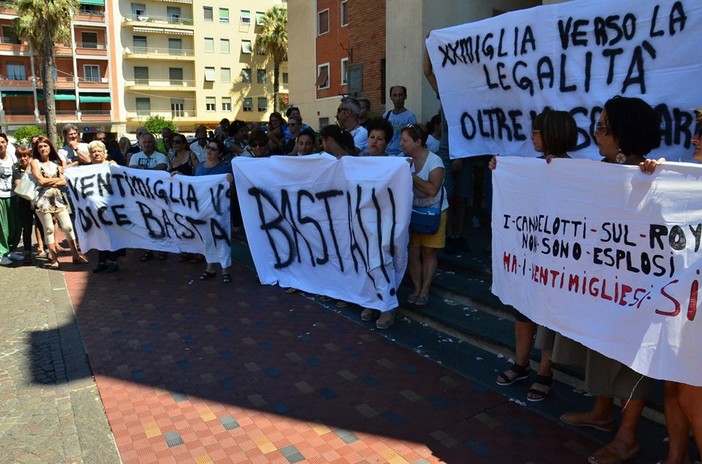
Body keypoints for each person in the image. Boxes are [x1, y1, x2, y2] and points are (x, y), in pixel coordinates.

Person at [553, 96, 661, 464]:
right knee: (601, 347)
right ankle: (602, 413)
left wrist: (653, 179)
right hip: (604, 286)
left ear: (623, 134)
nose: (596, 134)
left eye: (603, 127)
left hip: (638, 294)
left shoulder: (652, 175)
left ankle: (627, 437)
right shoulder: (599, 170)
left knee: (632, 359)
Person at [491, 109, 578, 402]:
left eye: (537, 131)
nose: (532, 137)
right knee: (523, 307)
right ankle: (521, 362)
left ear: (552, 133)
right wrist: (500, 170)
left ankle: (545, 371)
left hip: (556, 260)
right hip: (529, 255)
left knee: (548, 316)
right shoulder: (531, 167)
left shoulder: (579, 173)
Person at [638, 108, 702, 464]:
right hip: (681, 306)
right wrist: (657, 179)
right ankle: (676, 458)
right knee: (673, 387)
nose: (694, 138)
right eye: (695, 131)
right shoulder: (686, 179)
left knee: (693, 399)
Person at [402, 123, 448, 310]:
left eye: (405, 140)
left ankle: (425, 291)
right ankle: (416, 288)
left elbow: (431, 189)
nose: (401, 143)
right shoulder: (402, 159)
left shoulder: (435, 162)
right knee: (413, 253)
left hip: (433, 212)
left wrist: (410, 175)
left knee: (429, 252)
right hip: (412, 212)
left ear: (418, 141)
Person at [30, 136, 87, 269]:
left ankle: (75, 255)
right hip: (41, 200)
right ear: (37, 150)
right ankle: (54, 259)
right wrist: (56, 180)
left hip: (58, 199)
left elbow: (64, 182)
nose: (43, 149)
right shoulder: (35, 163)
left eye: (45, 146)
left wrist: (50, 181)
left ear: (50, 147)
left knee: (68, 227)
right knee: (49, 229)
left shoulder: (57, 163)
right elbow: (40, 181)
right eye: (40, 147)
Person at [193, 139, 233, 284]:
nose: (209, 151)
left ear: (220, 153)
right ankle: (210, 268)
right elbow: (193, 185)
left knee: (222, 238)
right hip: (203, 210)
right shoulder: (200, 167)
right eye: (208, 148)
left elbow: (231, 189)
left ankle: (225, 270)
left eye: (213, 149)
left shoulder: (224, 168)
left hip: (219, 211)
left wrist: (230, 180)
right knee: (207, 239)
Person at [128, 132, 169, 262]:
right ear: (140, 144)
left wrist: (141, 169)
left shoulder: (161, 156)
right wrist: (151, 170)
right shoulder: (135, 156)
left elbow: (162, 169)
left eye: (149, 142)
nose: (146, 144)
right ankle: (148, 249)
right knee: (145, 223)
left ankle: (163, 249)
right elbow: (132, 171)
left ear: (153, 143)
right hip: (141, 195)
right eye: (144, 142)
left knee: (160, 222)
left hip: (158, 195)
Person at [86, 141, 124, 273]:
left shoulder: (111, 166)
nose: (96, 154)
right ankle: (102, 261)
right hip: (96, 208)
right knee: (100, 235)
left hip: (112, 205)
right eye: (93, 152)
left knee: (113, 233)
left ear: (104, 153)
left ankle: (113, 260)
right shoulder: (86, 169)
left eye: (99, 151)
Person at [11, 147, 34, 265]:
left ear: (29, 156)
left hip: (36, 201)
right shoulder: (16, 171)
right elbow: (18, 186)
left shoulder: (35, 168)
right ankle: (27, 253)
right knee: (27, 228)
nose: (23, 158)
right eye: (20, 156)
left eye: (25, 156)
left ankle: (47, 249)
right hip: (23, 202)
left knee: (42, 226)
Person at [0, 133, 20, 265]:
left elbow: (17, 176)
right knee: (3, 227)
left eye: (2, 142)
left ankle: (11, 250)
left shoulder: (12, 158)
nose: (0, 145)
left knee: (15, 226)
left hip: (13, 196)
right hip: (1, 197)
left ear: (7, 143)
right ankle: (2, 254)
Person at [384, 86, 417, 156]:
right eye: (395, 95)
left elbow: (412, 136)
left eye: (400, 95)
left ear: (405, 97)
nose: (397, 98)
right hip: (386, 153)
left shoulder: (410, 117)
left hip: (402, 154)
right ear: (391, 97)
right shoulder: (386, 116)